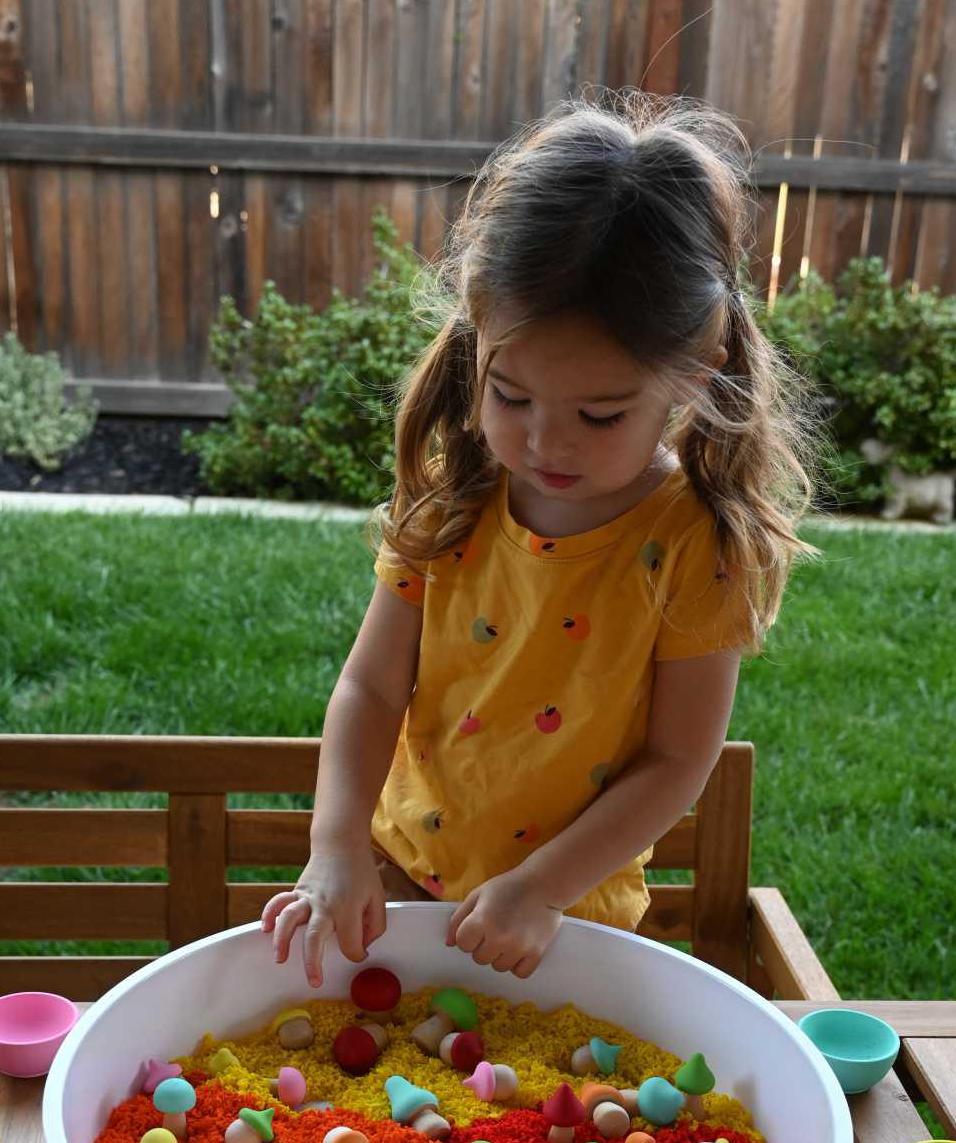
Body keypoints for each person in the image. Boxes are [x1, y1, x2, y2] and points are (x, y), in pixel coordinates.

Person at [263, 90, 821, 988]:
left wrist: (540, 889)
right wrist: (335, 847)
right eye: (510, 395)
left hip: (569, 920)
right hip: (399, 881)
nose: (543, 442)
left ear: (692, 377)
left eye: (599, 414)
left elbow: (679, 760)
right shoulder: (459, 495)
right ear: (472, 341)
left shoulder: (691, 541)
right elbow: (370, 684)